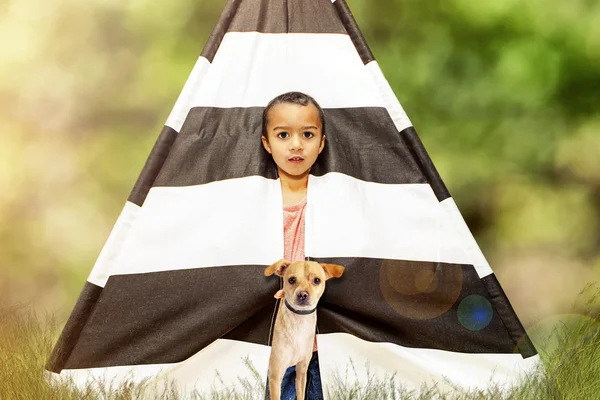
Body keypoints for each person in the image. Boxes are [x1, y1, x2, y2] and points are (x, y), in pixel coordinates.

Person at [261, 91, 326, 400]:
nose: (296, 144)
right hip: (276, 345)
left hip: (317, 349)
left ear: (322, 142)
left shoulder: (329, 202)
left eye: (308, 134)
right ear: (266, 143)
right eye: (283, 134)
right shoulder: (259, 204)